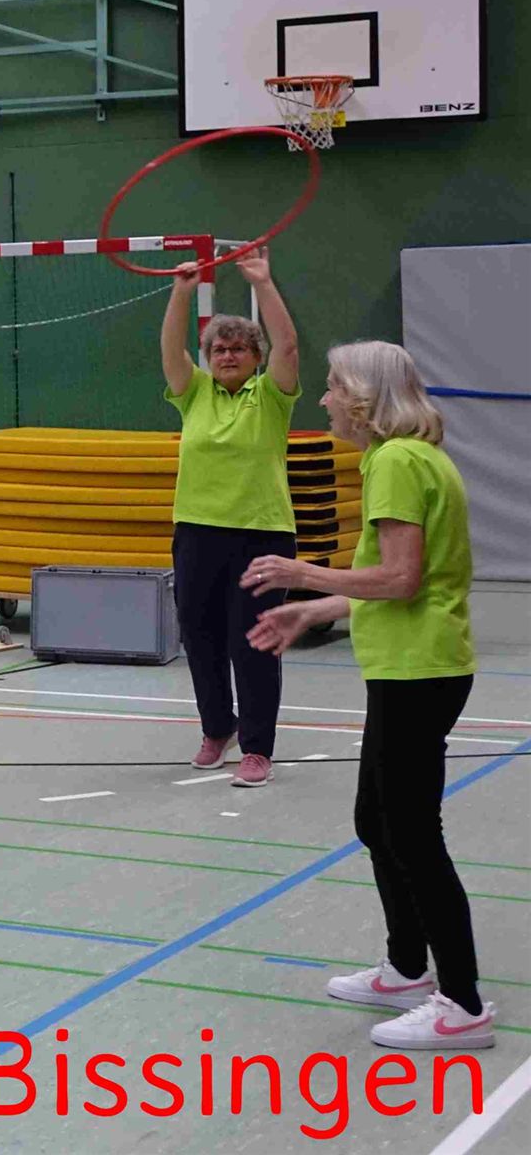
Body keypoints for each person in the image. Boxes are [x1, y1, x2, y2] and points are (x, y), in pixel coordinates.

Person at [246, 341, 494, 1050]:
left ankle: (463, 1004)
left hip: (420, 669)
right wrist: (313, 610)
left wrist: (304, 574)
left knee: (411, 833)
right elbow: (401, 580)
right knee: (377, 821)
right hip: (409, 666)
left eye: (332, 386)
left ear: (363, 396)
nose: (324, 399)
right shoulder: (411, 457)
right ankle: (407, 967)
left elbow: (401, 579)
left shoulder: (395, 463)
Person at [160, 246, 299, 788]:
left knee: (255, 639)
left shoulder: (272, 396)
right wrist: (181, 292)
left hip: (262, 535)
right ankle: (219, 728)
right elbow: (171, 348)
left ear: (256, 356)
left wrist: (262, 280)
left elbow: (288, 344)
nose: (228, 354)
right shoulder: (194, 393)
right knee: (199, 635)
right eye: (219, 348)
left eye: (240, 347)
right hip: (197, 530)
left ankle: (258, 748)